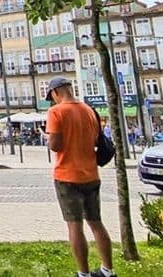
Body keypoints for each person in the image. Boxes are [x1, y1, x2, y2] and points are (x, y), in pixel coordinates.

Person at [46, 77, 115, 277]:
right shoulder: (89, 110)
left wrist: (48, 137)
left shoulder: (56, 112)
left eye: (52, 96)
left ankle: (83, 273)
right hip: (91, 174)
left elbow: (56, 145)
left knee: (74, 225)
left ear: (55, 92)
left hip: (67, 175)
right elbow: (95, 139)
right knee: (96, 222)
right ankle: (108, 270)